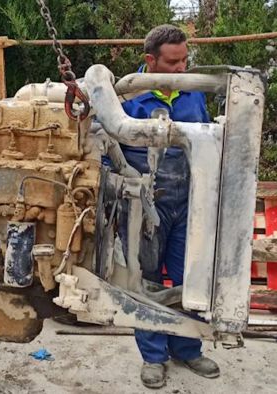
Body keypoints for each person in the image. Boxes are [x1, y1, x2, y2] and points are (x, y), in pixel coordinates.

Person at [119, 24, 220, 389]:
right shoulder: (127, 95)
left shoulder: (193, 94)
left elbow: (208, 141)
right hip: (144, 204)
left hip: (188, 201)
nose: (181, 70)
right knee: (145, 281)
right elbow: (104, 150)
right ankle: (154, 356)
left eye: (184, 61)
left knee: (186, 278)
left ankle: (187, 349)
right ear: (150, 60)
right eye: (173, 63)